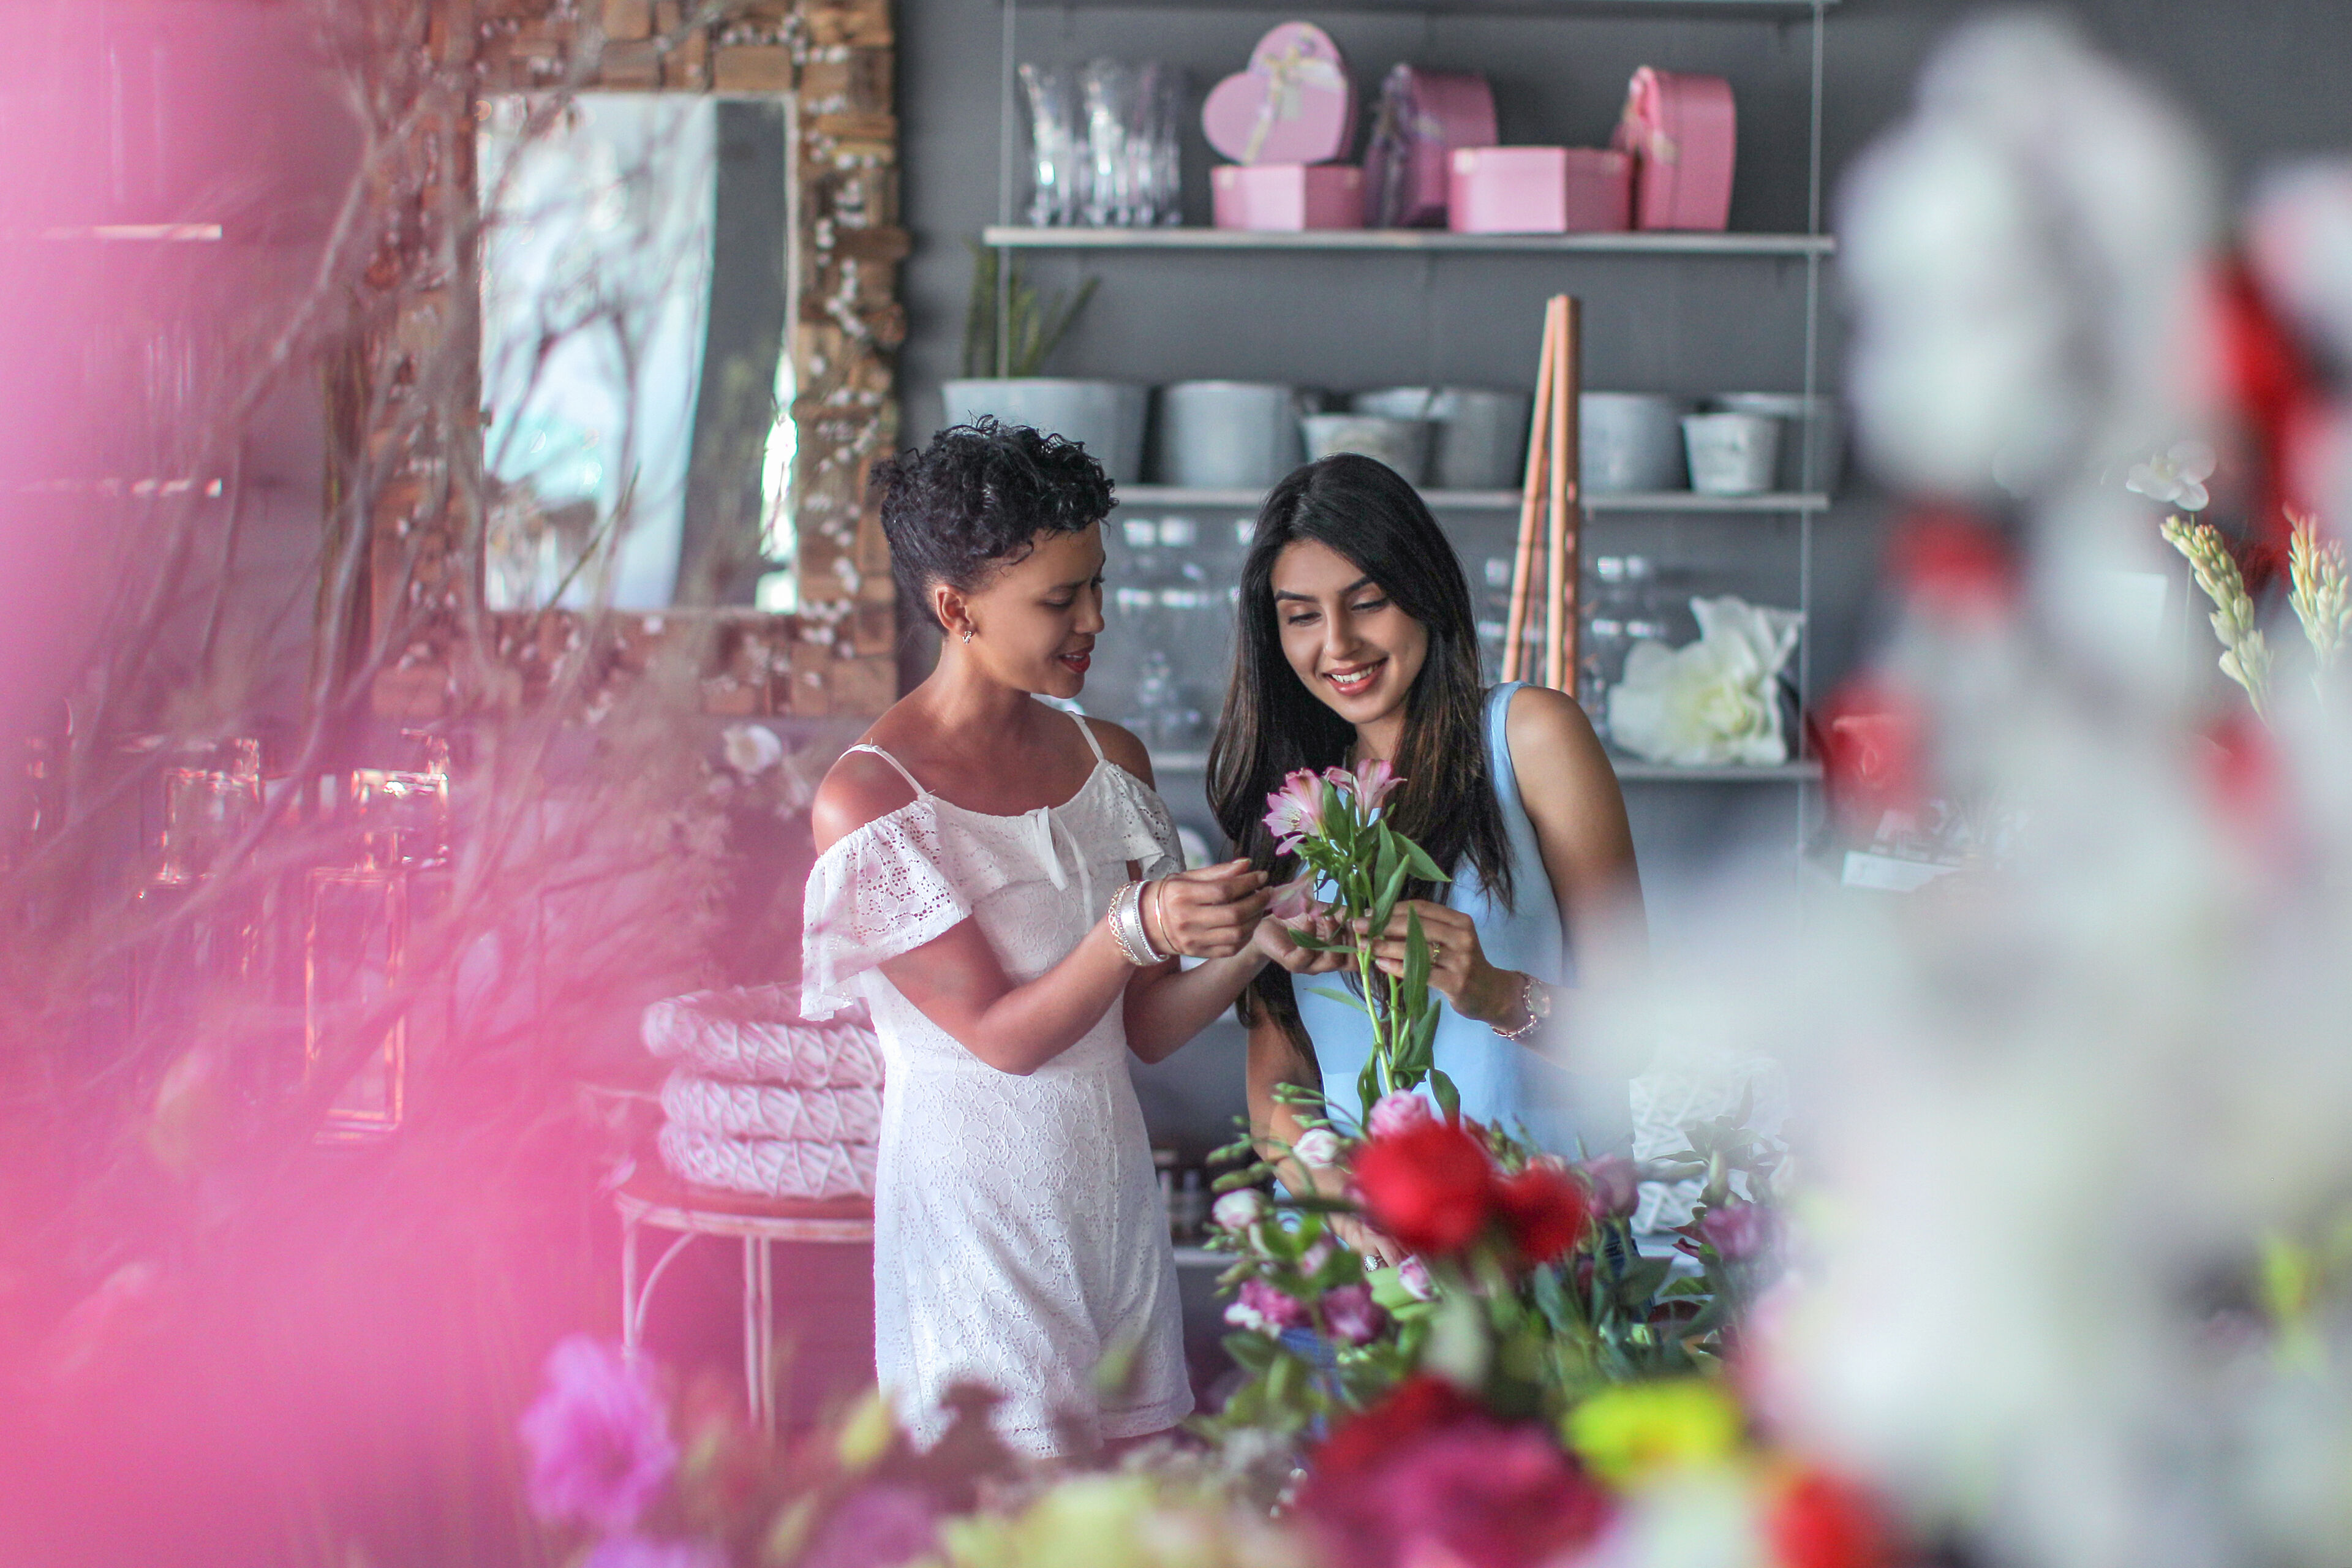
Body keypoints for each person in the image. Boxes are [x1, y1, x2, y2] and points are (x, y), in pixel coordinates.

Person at [800, 420, 1337, 1457]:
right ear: (955, 609)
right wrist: (1135, 924)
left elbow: (1142, 1026)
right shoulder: (870, 799)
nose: (1096, 619)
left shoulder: (1112, 759)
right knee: (1012, 1514)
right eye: (1060, 599)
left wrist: (1255, 939)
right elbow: (1003, 1040)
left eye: (1097, 584)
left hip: (1108, 1200)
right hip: (975, 1223)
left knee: (1128, 1513)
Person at [1207, 453, 1648, 1261]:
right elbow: (1278, 1078)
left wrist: (1501, 995)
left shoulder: (1529, 738)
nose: (1337, 643)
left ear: (1426, 594)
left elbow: (1643, 1030)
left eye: (1367, 602)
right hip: (1359, 1274)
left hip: (1538, 1249)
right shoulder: (1291, 800)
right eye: (1301, 615)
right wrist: (1334, 1193)